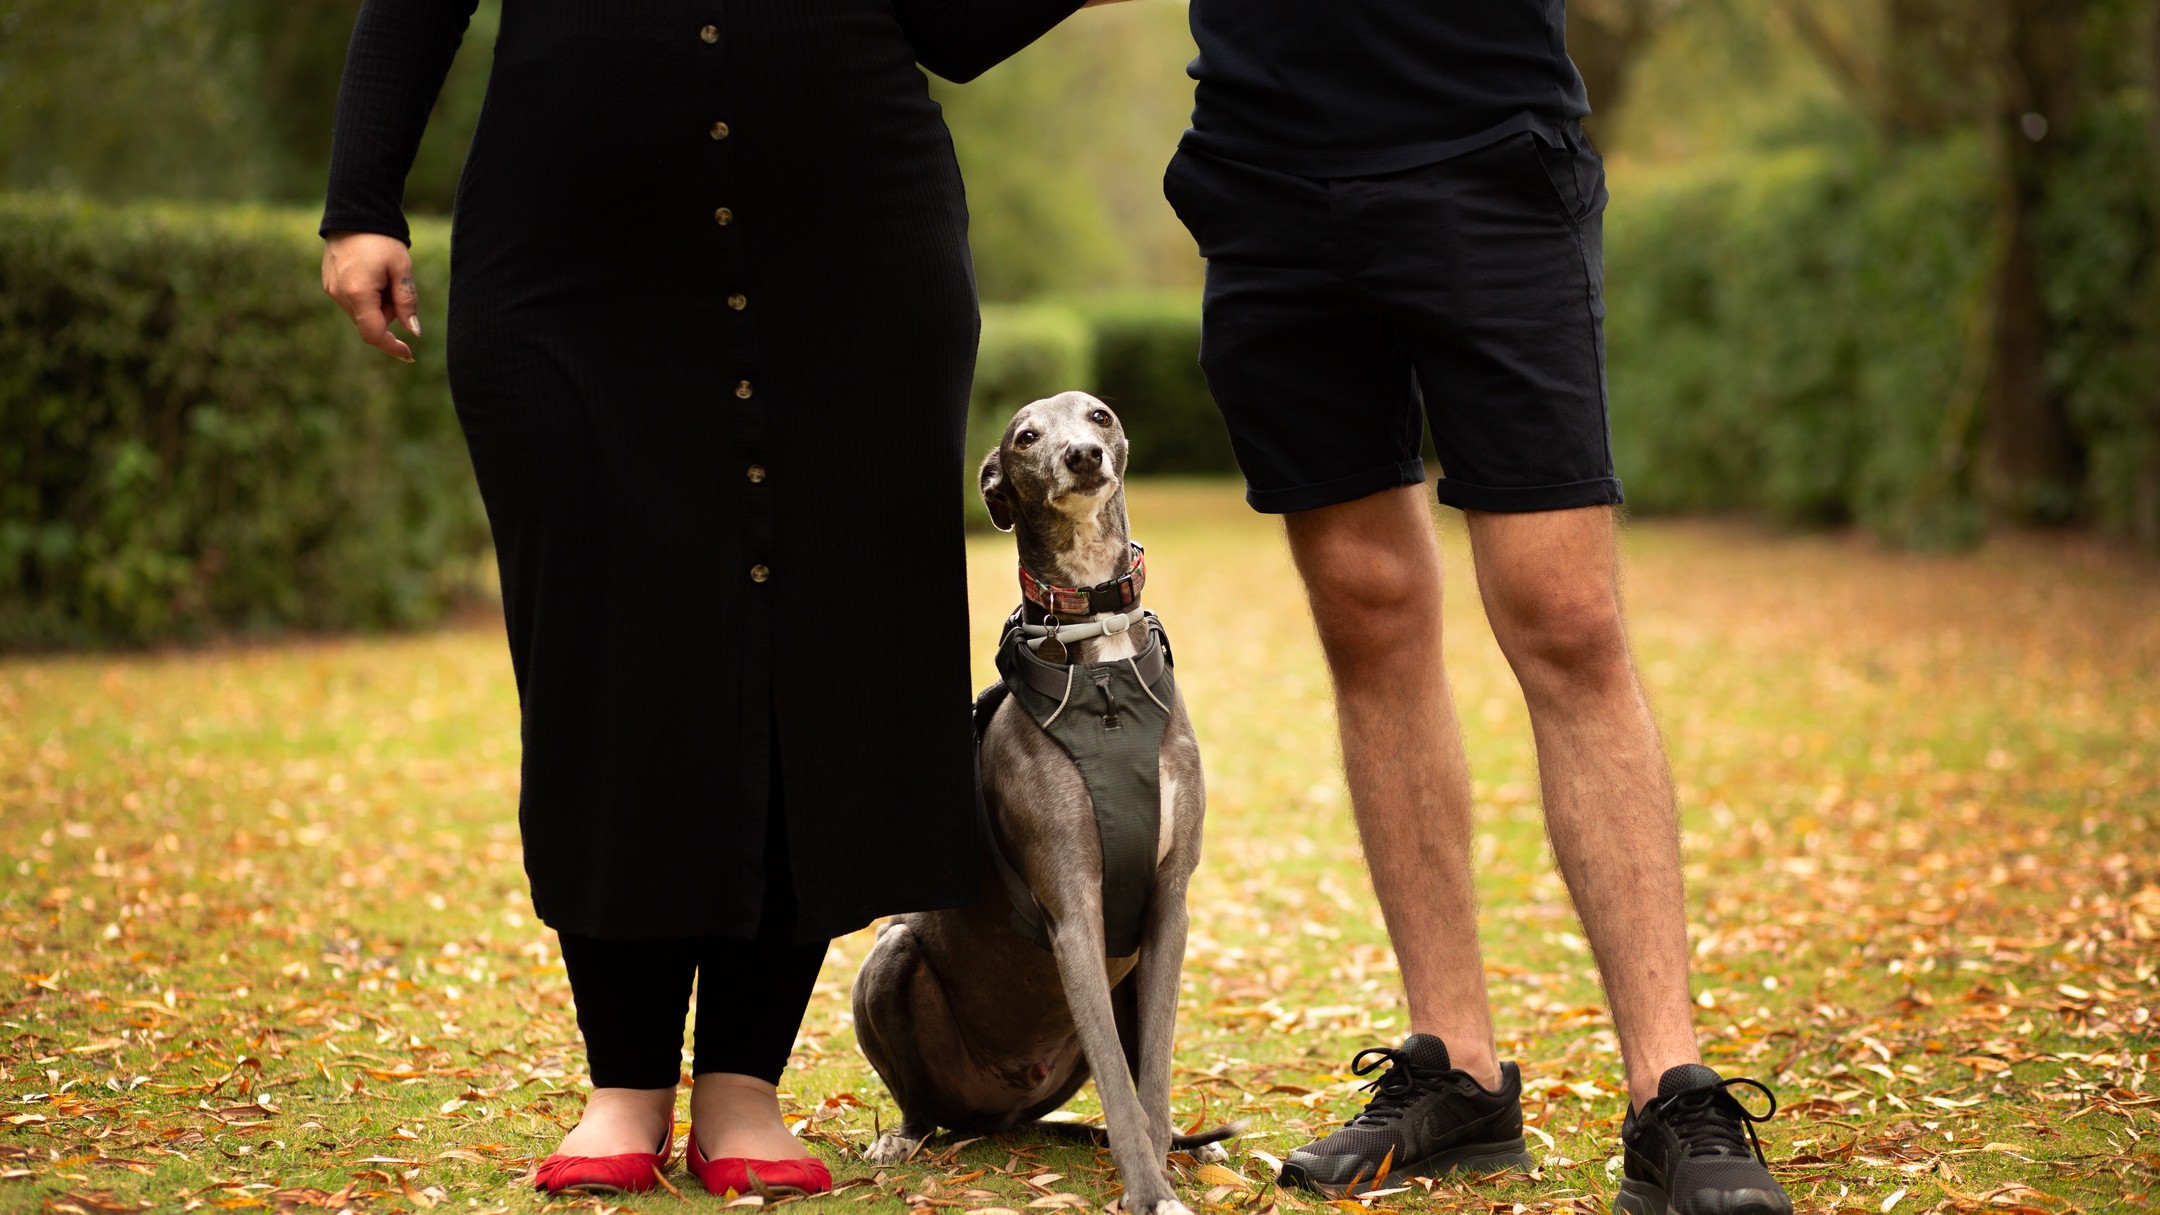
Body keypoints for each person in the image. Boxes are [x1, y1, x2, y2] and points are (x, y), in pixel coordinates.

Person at [319, 0, 1092, 1196]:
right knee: (610, 647)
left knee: (824, 640)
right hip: (574, 263)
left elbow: (953, 23)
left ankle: (745, 1084)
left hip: (850, 256)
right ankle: (621, 1080)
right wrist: (362, 197)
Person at [1160, 3, 1794, 1213]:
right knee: (1365, 607)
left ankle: (1672, 1092)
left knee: (1566, 618)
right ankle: (1455, 1068)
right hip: (1263, 167)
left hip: (1483, 143)